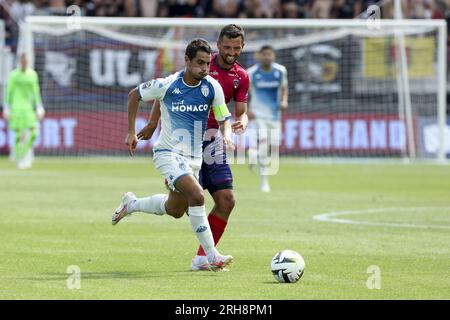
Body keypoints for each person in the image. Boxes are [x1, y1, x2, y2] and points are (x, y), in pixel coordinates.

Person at [133, 24, 249, 271]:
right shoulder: (200, 62)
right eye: (227, 47)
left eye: (236, 48)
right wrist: (153, 122)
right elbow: (167, 90)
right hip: (183, 143)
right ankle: (155, 194)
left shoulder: (241, 76)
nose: (231, 52)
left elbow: (239, 113)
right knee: (178, 208)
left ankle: (202, 258)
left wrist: (237, 127)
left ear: (242, 47)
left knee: (227, 200)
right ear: (218, 45)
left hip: (212, 142)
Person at [247, 45, 288, 192]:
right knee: (264, 143)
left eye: (269, 54)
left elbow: (284, 88)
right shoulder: (251, 72)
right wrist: (247, 109)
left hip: (275, 115)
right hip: (258, 115)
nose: (266, 57)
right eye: (264, 54)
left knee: (273, 145)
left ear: (273, 56)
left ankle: (254, 154)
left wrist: (284, 101)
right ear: (259, 56)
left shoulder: (280, 71)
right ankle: (264, 182)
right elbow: (244, 92)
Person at [2, 53, 45, 169]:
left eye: (26, 61)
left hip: (28, 109)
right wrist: (6, 107)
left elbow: (36, 92)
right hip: (16, 109)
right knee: (19, 136)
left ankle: (25, 155)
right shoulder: (14, 75)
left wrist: (39, 107)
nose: (25, 63)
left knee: (34, 133)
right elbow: (8, 92)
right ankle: (20, 158)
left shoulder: (32, 75)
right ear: (20, 61)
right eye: (23, 61)